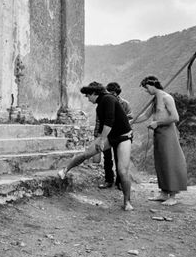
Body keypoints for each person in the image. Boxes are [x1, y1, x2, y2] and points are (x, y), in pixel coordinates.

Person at [57, 82, 134, 211]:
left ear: (94, 93)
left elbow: (110, 120)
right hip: (110, 135)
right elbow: (103, 124)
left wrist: (102, 140)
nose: (87, 98)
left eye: (87, 96)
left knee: (122, 171)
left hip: (124, 136)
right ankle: (65, 170)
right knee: (86, 153)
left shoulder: (109, 99)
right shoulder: (100, 105)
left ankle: (127, 202)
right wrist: (99, 139)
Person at [134, 76, 187, 206]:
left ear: (153, 85)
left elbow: (175, 117)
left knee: (170, 161)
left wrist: (157, 123)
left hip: (168, 133)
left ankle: (173, 196)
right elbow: (145, 116)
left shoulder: (166, 98)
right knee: (160, 162)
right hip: (158, 134)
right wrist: (131, 121)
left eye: (146, 87)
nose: (146, 90)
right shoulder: (154, 100)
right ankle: (164, 193)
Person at [97, 82, 133, 190]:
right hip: (106, 135)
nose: (111, 95)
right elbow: (99, 121)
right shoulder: (104, 102)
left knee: (119, 159)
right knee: (107, 158)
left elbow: (130, 119)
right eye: (109, 92)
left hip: (120, 135)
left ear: (117, 93)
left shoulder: (125, 104)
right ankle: (108, 180)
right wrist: (98, 136)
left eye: (114, 93)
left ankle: (120, 182)